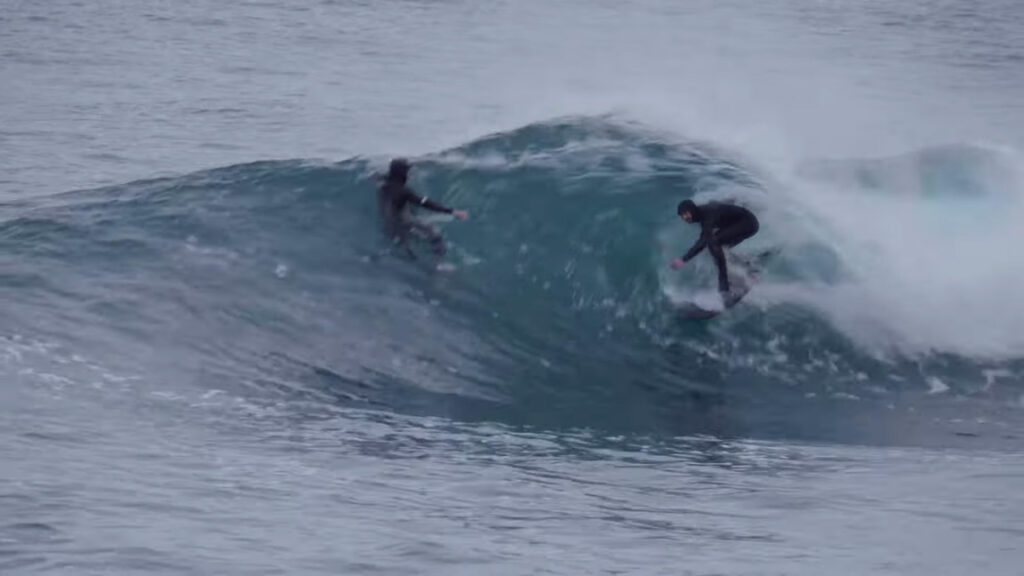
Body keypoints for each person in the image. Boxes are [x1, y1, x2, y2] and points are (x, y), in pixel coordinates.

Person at [377, 158, 468, 256]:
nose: (409, 174)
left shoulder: (384, 185)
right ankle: (440, 261)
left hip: (389, 225)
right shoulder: (404, 192)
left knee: (407, 249)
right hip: (404, 224)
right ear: (402, 174)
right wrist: (452, 211)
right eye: (407, 171)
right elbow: (426, 204)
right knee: (434, 233)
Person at [671, 199, 759, 295]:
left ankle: (724, 287)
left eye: (686, 213)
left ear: (692, 210)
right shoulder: (703, 214)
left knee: (714, 243)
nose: (685, 217)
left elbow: (704, 240)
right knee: (718, 249)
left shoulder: (707, 215)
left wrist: (684, 259)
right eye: (682, 216)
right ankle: (747, 269)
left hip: (748, 223)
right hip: (741, 223)